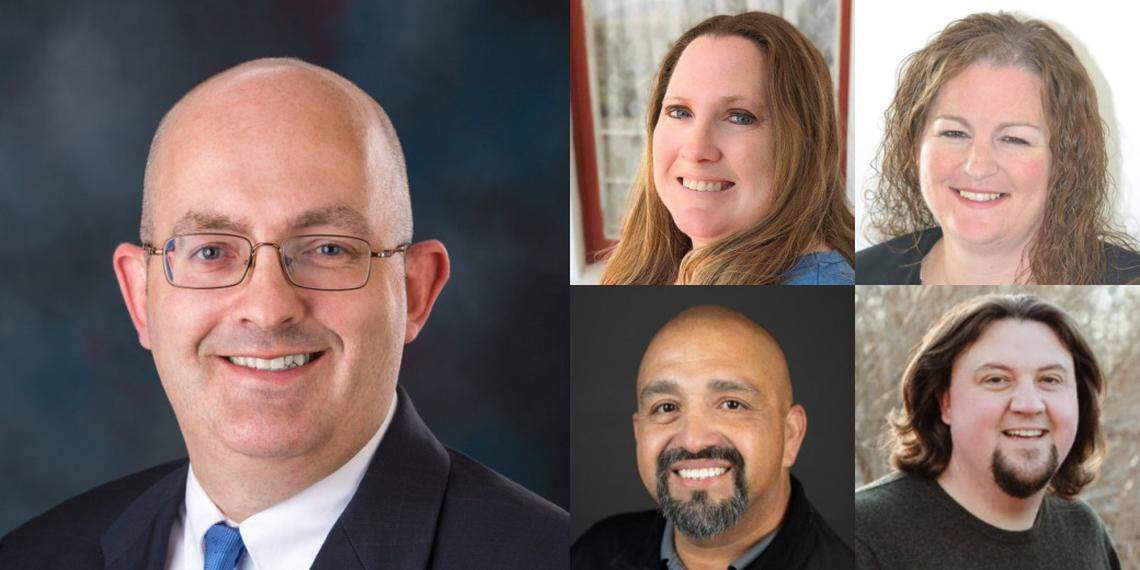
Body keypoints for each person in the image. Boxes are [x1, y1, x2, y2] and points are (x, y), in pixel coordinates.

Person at [0, 58, 568, 569]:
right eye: (211, 251)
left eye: (328, 249)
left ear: (416, 290)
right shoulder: (36, 556)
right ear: (139, 296)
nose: (269, 309)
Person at [857, 12, 1140, 285]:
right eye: (954, 133)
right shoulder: (860, 274)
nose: (977, 166)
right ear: (915, 147)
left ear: (1065, 160)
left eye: (1014, 139)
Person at [572, 306, 851, 569]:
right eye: (666, 407)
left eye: (731, 404)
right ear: (639, 433)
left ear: (791, 435)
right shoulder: (593, 554)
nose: (693, 440)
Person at [855, 294, 1120, 569]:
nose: (1029, 405)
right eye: (996, 380)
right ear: (944, 402)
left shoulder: (1085, 533)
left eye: (1050, 380)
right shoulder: (863, 535)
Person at [599, 12, 854, 285]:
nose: (696, 150)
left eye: (739, 117)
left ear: (805, 143)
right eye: (679, 111)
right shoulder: (657, 264)